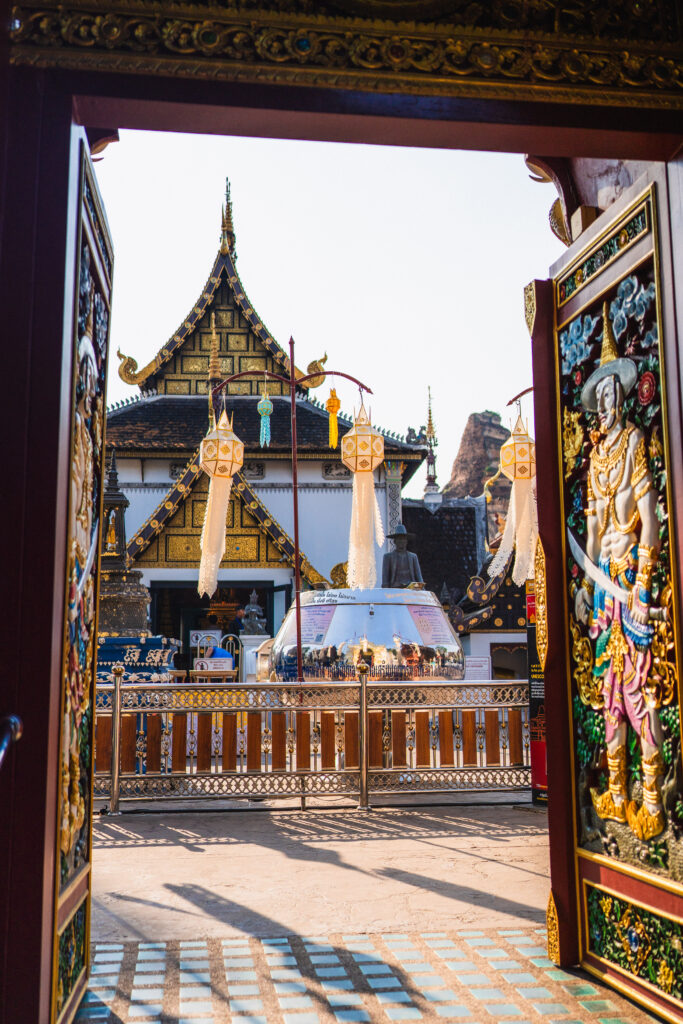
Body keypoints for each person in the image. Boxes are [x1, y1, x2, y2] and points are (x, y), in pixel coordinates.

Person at [573, 305, 664, 841]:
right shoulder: (594, 458)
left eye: (612, 394)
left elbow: (648, 524)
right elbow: (588, 537)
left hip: (631, 572)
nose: (605, 404)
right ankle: (617, 789)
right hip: (604, 580)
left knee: (637, 688)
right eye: (599, 396)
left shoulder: (632, 445)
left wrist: (644, 586)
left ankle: (652, 795)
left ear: (623, 397)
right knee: (609, 692)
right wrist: (585, 587)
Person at [381, 524, 423, 588]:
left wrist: (422, 589)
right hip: (395, 588)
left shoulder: (413, 557)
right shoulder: (388, 557)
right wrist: (386, 591)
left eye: (403, 539)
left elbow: (419, 577)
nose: (402, 541)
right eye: (399, 539)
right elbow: (385, 579)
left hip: (411, 587)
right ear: (395, 541)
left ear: (406, 541)